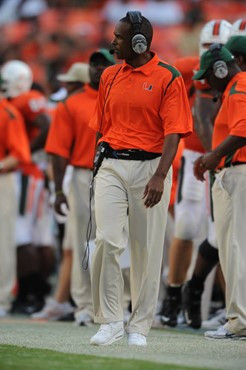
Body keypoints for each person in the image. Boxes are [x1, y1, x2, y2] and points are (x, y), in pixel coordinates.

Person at [89, 11, 192, 347]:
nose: (112, 42)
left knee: (145, 249)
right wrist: (96, 166)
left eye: (118, 38)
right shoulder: (108, 76)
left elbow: (174, 131)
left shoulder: (169, 76)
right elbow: (101, 128)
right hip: (112, 165)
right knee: (106, 240)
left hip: (151, 169)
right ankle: (110, 321)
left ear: (138, 42)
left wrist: (161, 175)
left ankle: (140, 326)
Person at [158, 19, 231, 328]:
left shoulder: (237, 74)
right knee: (187, 226)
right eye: (205, 49)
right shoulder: (186, 68)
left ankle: (230, 306)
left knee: (225, 234)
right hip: (196, 153)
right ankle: (173, 296)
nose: (210, 56)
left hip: (226, 156)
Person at [45, 52, 115, 325]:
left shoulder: (122, 98)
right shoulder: (71, 104)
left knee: (114, 241)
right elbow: (57, 151)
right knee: (84, 243)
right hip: (83, 176)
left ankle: (116, 303)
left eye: (104, 64)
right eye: (95, 65)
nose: (98, 69)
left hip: (117, 173)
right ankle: (85, 305)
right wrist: (59, 191)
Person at [193, 43, 246, 340]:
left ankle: (239, 321)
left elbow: (243, 129)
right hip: (235, 172)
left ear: (221, 69)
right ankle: (239, 317)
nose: (207, 82)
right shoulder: (236, 87)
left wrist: (214, 156)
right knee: (235, 248)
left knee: (235, 248)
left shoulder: (239, 87)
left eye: (209, 76)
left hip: (237, 173)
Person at [0, 60, 54, 314]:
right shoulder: (29, 98)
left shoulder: (24, 100)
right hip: (35, 174)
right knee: (38, 237)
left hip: (25, 174)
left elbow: (46, 125)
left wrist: (27, 153)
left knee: (21, 236)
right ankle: (37, 293)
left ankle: (31, 292)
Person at [0, 93, 31, 317]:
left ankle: (2, 298)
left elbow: (19, 153)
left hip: (2, 177)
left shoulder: (7, 112)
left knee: (3, 240)